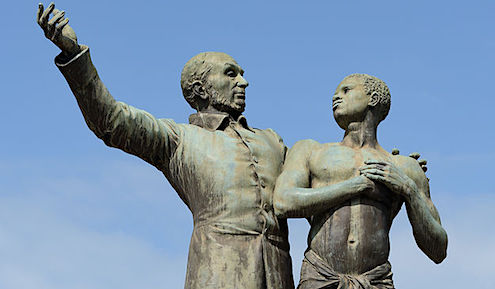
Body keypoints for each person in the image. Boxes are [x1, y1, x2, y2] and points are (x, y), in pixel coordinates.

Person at [36, 3, 294, 289]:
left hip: (278, 274)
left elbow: (316, 186)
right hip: (216, 269)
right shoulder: (178, 139)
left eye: (241, 74)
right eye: (231, 74)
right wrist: (74, 55)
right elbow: (110, 119)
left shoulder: (272, 141)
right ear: (200, 88)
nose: (244, 82)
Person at [273, 74, 447, 289]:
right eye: (336, 92)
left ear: (372, 98)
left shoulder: (403, 168)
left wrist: (409, 190)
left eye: (346, 90)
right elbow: (282, 202)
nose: (336, 97)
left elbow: (438, 249)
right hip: (321, 276)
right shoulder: (311, 151)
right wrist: (352, 187)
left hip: (375, 280)